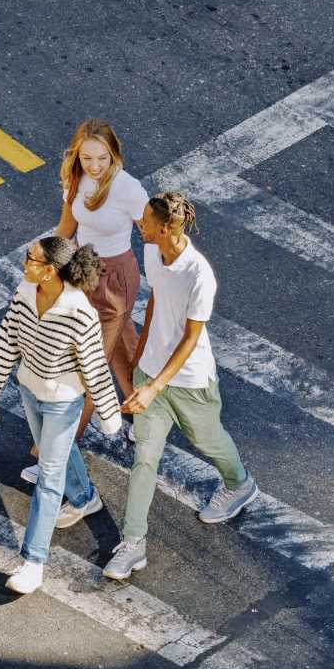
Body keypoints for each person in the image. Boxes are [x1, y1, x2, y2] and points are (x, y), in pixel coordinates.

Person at [103, 192, 258, 581]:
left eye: (146, 222)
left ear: (167, 227)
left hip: (189, 382)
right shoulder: (154, 253)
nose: (140, 225)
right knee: (144, 458)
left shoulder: (199, 274)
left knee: (208, 441)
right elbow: (156, 295)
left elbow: (190, 339)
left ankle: (239, 485)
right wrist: (141, 354)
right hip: (152, 375)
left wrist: (155, 385)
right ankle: (133, 544)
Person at [0, 239, 122, 595]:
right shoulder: (25, 293)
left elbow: (94, 368)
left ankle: (33, 562)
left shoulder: (79, 313)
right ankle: (85, 497)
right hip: (29, 390)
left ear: (50, 269)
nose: (24, 262)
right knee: (51, 449)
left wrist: (108, 414)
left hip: (62, 400)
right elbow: (7, 342)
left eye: (31, 259)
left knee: (50, 476)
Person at [21, 119, 148, 484]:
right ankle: (145, 412)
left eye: (102, 158)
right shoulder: (75, 179)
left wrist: (168, 277)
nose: (94, 166)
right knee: (122, 347)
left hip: (115, 281)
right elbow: (66, 229)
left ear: (115, 155)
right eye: (87, 157)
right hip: (83, 270)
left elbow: (151, 233)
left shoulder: (128, 188)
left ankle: (54, 457)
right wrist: (43, 267)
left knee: (87, 362)